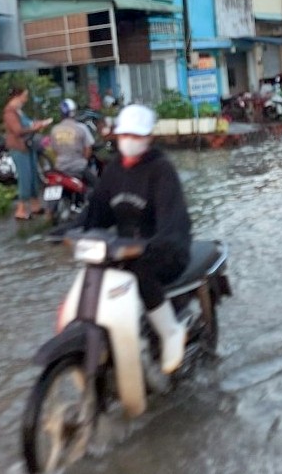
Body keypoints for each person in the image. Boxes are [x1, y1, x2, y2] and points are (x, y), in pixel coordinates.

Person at [81, 104, 192, 374]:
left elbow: (172, 217)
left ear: (148, 138)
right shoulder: (114, 170)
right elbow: (97, 210)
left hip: (165, 250)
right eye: (125, 135)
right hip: (125, 248)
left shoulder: (161, 170)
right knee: (96, 274)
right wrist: (69, 231)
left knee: (141, 272)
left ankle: (170, 332)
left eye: (136, 135)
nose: (129, 141)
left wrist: (156, 243)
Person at [3, 87, 53, 220]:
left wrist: (37, 124)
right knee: (25, 178)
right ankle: (20, 210)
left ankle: (35, 206)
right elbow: (18, 131)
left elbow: (28, 124)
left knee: (33, 177)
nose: (26, 98)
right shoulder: (10, 112)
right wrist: (34, 127)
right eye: (25, 95)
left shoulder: (19, 111)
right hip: (19, 148)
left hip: (28, 146)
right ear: (17, 96)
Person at [50, 99, 97, 188]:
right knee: (97, 186)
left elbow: (54, 150)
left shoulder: (54, 130)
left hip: (60, 168)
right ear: (74, 112)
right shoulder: (81, 128)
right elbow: (88, 149)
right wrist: (83, 160)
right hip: (79, 167)